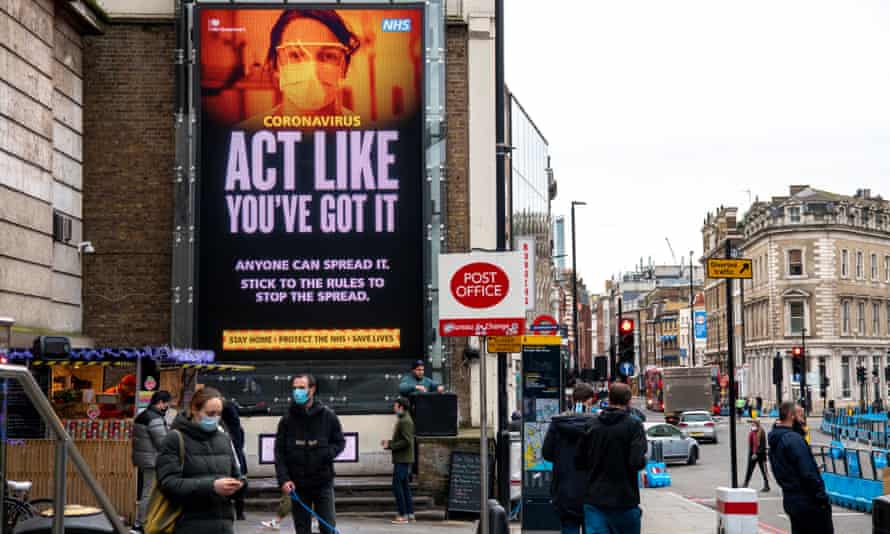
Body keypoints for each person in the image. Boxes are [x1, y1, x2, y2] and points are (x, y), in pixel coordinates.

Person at [240, 10, 361, 129]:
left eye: (328, 56)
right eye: (295, 55)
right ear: (275, 65)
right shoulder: (244, 138)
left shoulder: (370, 138)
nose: (312, 71)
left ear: (344, 66)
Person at [156, 387, 244, 534]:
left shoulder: (224, 438)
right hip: (188, 525)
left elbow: (236, 474)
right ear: (194, 410)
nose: (215, 418)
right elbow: (168, 484)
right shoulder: (175, 438)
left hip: (223, 526)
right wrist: (212, 486)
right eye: (210, 413)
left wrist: (239, 485)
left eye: (219, 414)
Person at [275, 374, 346, 534]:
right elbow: (279, 452)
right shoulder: (286, 420)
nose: (297, 392)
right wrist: (284, 479)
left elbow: (340, 442)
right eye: (294, 388)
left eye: (301, 388)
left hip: (323, 483)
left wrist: (326, 454)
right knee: (302, 530)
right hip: (298, 485)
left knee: (328, 527)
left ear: (312, 389)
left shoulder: (328, 416)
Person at [576, 382, 647, 534]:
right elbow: (636, 462)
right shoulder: (634, 425)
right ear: (629, 402)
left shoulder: (591, 424)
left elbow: (579, 461)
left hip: (595, 500)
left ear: (609, 399)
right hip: (625, 500)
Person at [768, 401, 833, 534]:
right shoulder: (794, 440)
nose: (803, 421)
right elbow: (808, 473)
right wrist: (822, 497)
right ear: (792, 416)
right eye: (801, 416)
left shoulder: (775, 440)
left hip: (791, 500)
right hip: (809, 503)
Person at [542, 382, 597, 534]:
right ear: (589, 400)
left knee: (569, 528)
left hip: (564, 487)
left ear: (573, 400)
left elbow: (547, 453)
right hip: (591, 489)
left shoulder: (558, 423)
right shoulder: (596, 424)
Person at [132, 390, 171, 531]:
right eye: (167, 404)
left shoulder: (143, 415)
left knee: (147, 491)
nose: (167, 407)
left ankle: (143, 522)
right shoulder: (154, 418)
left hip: (145, 459)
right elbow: (162, 442)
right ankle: (140, 523)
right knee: (148, 493)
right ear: (160, 403)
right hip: (153, 461)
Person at [382, 397, 416, 525]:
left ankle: (403, 515)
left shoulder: (405, 421)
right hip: (403, 458)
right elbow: (403, 440)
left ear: (401, 407)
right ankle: (410, 513)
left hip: (402, 459)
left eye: (395, 406)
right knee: (404, 486)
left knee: (397, 486)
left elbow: (407, 441)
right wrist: (389, 443)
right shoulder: (404, 419)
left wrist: (390, 446)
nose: (394, 408)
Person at [221, 400, 248, 521]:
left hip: (230, 461)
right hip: (238, 461)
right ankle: (240, 513)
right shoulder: (237, 428)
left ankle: (233, 512)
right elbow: (241, 444)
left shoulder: (223, 430)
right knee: (240, 486)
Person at [743, 419, 770, 492]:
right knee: (749, 470)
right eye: (752, 425)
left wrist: (756, 454)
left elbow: (762, 445)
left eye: (753, 424)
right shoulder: (752, 432)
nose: (752, 426)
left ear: (757, 425)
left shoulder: (761, 432)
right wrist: (751, 454)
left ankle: (767, 486)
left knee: (763, 471)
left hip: (760, 455)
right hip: (752, 454)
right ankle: (745, 484)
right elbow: (751, 444)